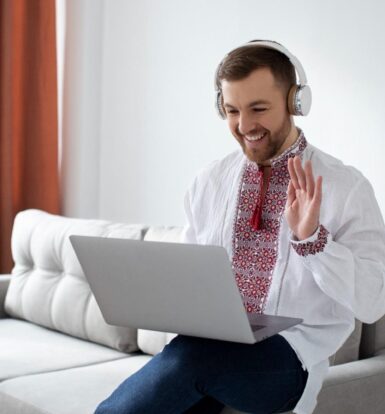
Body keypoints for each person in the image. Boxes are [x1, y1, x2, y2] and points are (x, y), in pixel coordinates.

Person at [95, 40, 385, 414]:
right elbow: (188, 280)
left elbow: (373, 302)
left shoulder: (345, 186)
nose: (244, 126)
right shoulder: (209, 181)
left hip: (289, 359)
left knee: (194, 357)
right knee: (190, 360)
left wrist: (312, 240)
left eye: (258, 108)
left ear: (295, 102)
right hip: (207, 350)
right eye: (232, 110)